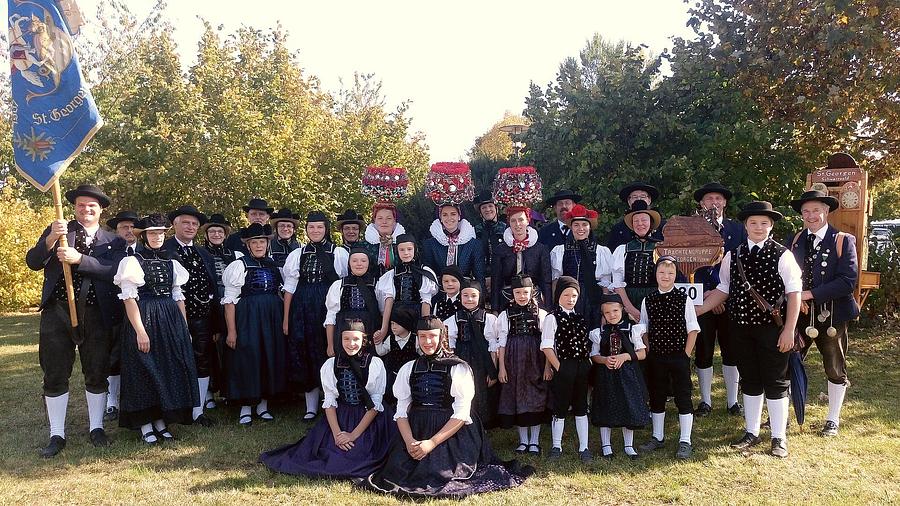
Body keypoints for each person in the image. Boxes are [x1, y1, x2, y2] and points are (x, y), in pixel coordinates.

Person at [358, 316, 532, 499]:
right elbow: (401, 411)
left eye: (432, 336)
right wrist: (410, 442)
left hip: (451, 432)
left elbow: (462, 413)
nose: (427, 341)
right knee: (398, 470)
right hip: (417, 428)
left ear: (442, 337)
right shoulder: (409, 368)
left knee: (443, 473)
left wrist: (431, 443)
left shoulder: (458, 368)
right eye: (422, 336)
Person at [697, 201, 802, 458]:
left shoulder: (783, 255)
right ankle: (751, 431)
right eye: (753, 223)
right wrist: (697, 310)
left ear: (771, 226)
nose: (758, 227)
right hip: (741, 329)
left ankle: (778, 437)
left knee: (775, 382)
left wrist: (789, 330)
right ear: (745, 226)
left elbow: (794, 294)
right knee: (751, 381)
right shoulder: (733, 256)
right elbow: (723, 289)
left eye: (764, 223)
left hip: (772, 330)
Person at [26, 184, 122, 457]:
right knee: (55, 371)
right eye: (81, 205)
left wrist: (80, 259)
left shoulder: (113, 240)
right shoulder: (59, 231)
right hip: (58, 312)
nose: (86, 209)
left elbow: (114, 271)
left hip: (97, 314)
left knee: (97, 370)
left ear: (101, 209)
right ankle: (57, 433)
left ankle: (96, 428)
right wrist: (50, 241)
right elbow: (33, 261)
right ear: (74, 207)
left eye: (92, 205)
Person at [258, 320, 396, 478]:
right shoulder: (332, 364)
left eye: (356, 339)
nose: (351, 344)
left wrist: (352, 435)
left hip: (368, 419)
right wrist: (338, 434)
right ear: (340, 339)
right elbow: (330, 402)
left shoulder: (374, 364)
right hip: (340, 416)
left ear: (363, 340)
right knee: (330, 455)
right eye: (346, 339)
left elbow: (374, 405)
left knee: (359, 455)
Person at [114, 214, 200, 444]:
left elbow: (178, 297)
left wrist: (183, 328)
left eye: (161, 233)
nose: (157, 237)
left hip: (169, 320)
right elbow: (129, 299)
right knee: (143, 370)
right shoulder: (132, 262)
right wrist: (140, 332)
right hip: (144, 318)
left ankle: (161, 420)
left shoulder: (171, 262)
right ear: (144, 236)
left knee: (165, 368)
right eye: (152, 233)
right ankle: (145, 424)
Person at [789, 190, 859, 437]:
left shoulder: (843, 240)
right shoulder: (796, 239)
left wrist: (808, 295)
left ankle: (833, 419)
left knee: (834, 366)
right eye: (806, 211)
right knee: (790, 362)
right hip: (800, 315)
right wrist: (796, 298)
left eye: (816, 210)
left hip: (832, 316)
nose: (811, 215)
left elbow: (847, 281)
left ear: (826, 212)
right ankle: (784, 415)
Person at [282, 211, 349, 421]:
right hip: (302, 307)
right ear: (306, 230)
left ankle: (332, 401)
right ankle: (310, 407)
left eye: (319, 227)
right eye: (311, 227)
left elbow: (342, 283)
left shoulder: (337, 252)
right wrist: (286, 319)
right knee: (305, 352)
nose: (315, 231)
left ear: (326, 229)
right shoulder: (297, 254)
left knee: (328, 350)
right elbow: (290, 287)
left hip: (328, 306)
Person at [222, 223, 288, 426]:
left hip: (271, 317)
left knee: (268, 356)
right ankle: (246, 407)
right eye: (254, 242)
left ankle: (263, 405)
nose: (258, 245)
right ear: (247, 245)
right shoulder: (239, 266)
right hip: (248, 317)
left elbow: (283, 292)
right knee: (248, 358)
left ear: (267, 243)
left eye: (262, 241)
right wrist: (231, 331)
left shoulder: (274, 265)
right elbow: (230, 302)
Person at [691, 182, 747, 417]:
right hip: (701, 299)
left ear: (724, 202)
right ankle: (706, 401)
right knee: (703, 351)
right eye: (709, 199)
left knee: (731, 350)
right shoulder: (691, 230)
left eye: (718, 198)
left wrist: (722, 295)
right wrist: (705, 295)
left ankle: (732, 402)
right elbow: (686, 266)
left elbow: (743, 266)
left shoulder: (738, 229)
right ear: (701, 204)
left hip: (730, 299)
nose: (714, 202)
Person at [637, 257, 700, 460]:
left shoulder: (684, 299)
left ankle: (685, 440)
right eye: (662, 273)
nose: (666, 277)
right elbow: (644, 327)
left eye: (670, 273)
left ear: (675, 276)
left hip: (678, 356)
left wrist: (686, 355)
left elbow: (693, 329)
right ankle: (657, 436)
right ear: (656, 275)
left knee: (683, 395)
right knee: (657, 395)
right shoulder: (648, 300)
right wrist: (648, 348)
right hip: (656, 357)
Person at [164, 205, 218, 427]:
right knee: (174, 360)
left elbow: (213, 287)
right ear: (174, 224)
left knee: (202, 360)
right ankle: (174, 408)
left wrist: (216, 323)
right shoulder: (164, 250)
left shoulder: (204, 253)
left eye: (195, 224)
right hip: (171, 318)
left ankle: (198, 411)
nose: (190, 227)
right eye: (185, 222)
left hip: (202, 317)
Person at [590, 294, 650, 460]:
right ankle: (606, 445)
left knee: (628, 406)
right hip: (606, 375)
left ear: (622, 310)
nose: (612, 315)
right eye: (607, 313)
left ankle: (629, 445)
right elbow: (594, 355)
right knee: (605, 407)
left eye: (615, 311)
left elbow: (642, 353)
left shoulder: (632, 329)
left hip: (627, 375)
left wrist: (625, 357)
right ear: (603, 315)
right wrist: (604, 360)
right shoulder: (598, 333)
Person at [496, 275, 551, 454]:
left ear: (532, 292)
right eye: (518, 292)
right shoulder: (505, 314)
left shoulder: (541, 314)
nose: (522, 296)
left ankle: (534, 441)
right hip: (513, 358)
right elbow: (502, 342)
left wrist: (547, 366)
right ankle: (523, 440)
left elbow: (547, 342)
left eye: (525, 292)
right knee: (517, 396)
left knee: (535, 395)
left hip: (536, 358)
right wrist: (502, 367)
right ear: (512, 293)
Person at [540, 276, 593, 462]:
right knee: (560, 406)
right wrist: (559, 368)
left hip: (582, 366)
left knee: (581, 406)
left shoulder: (579, 317)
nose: (570, 299)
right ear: (558, 296)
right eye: (566, 295)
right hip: (564, 365)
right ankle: (556, 446)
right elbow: (547, 346)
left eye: (574, 295)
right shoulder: (552, 317)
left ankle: (584, 447)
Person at [443, 278, 500, 429]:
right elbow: (450, 345)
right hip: (463, 359)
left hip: (482, 360)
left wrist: (492, 371)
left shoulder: (488, 318)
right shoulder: (453, 319)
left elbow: (493, 346)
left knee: (481, 391)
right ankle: (462, 421)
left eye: (473, 296)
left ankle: (483, 424)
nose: (469, 299)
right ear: (460, 297)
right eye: (465, 295)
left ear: (480, 297)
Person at [199, 213, 242, 409]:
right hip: (208, 305)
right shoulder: (200, 253)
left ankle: (228, 389)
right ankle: (208, 392)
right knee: (208, 347)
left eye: (220, 231)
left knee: (230, 347)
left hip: (232, 305)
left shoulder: (235, 255)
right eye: (212, 231)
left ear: (225, 234)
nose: (216, 234)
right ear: (206, 234)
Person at [550, 203, 613, 328]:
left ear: (590, 227)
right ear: (571, 227)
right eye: (576, 225)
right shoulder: (560, 250)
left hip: (592, 299)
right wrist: (555, 304)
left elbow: (605, 284)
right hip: (568, 297)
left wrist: (605, 310)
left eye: (584, 225)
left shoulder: (601, 251)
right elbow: (556, 282)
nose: (581, 228)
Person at [104, 210, 140, 422]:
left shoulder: (145, 251)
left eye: (131, 227)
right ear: (117, 231)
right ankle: (112, 402)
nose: (128, 231)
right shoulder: (109, 253)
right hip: (115, 310)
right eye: (123, 227)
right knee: (114, 355)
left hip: (142, 312)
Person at [325, 248, 389, 358]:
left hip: (370, 329)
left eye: (363, 261)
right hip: (344, 330)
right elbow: (331, 316)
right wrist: (330, 345)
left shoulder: (377, 284)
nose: (359, 264)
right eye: (354, 261)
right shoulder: (339, 285)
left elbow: (383, 312)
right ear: (349, 263)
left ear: (369, 263)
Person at [492, 205, 552, 310]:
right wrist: (495, 309)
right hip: (508, 298)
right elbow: (496, 282)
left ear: (528, 221)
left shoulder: (540, 249)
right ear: (509, 223)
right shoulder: (500, 250)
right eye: (513, 221)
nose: (517, 224)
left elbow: (545, 280)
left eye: (521, 220)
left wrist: (548, 308)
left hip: (534, 299)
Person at [612, 200, 663, 323]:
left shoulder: (661, 248)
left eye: (644, 220)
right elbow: (617, 282)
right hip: (629, 300)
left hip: (656, 300)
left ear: (651, 223)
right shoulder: (623, 249)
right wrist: (629, 308)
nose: (640, 224)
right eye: (636, 221)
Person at [421, 202, 485, 287]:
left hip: (465, 293)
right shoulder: (430, 244)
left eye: (453, 214)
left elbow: (479, 275)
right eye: (445, 215)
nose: (449, 218)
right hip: (439, 292)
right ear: (440, 217)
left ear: (459, 216)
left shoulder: (473, 244)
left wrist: (480, 297)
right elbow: (428, 275)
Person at [375, 233, 438, 315]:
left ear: (415, 249)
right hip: (397, 316)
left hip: (417, 314)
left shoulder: (424, 271)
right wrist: (384, 327)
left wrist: (424, 325)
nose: (406, 253)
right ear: (397, 251)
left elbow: (426, 301)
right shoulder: (392, 273)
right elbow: (388, 302)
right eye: (401, 250)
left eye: (409, 249)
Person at [375, 307, 421, 405]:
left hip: (410, 376)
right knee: (391, 397)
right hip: (393, 375)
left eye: (397, 324)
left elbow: (422, 355)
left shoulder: (415, 339)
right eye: (392, 324)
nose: (393, 327)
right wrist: (377, 342)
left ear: (406, 324)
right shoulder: (390, 339)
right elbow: (381, 352)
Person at [472, 191, 507, 307]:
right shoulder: (475, 231)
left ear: (496, 208)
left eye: (490, 206)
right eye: (484, 207)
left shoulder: (506, 229)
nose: (487, 210)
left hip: (503, 277)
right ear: (480, 211)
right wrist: (483, 278)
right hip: (481, 278)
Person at [606, 182, 665, 251]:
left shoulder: (664, 227)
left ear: (649, 200)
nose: (639, 199)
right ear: (629, 201)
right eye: (635, 197)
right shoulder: (618, 229)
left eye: (643, 196)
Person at [363, 202, 407, 278]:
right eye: (380, 218)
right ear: (374, 221)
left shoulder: (405, 245)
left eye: (389, 218)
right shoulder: (363, 246)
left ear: (394, 221)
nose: (384, 222)